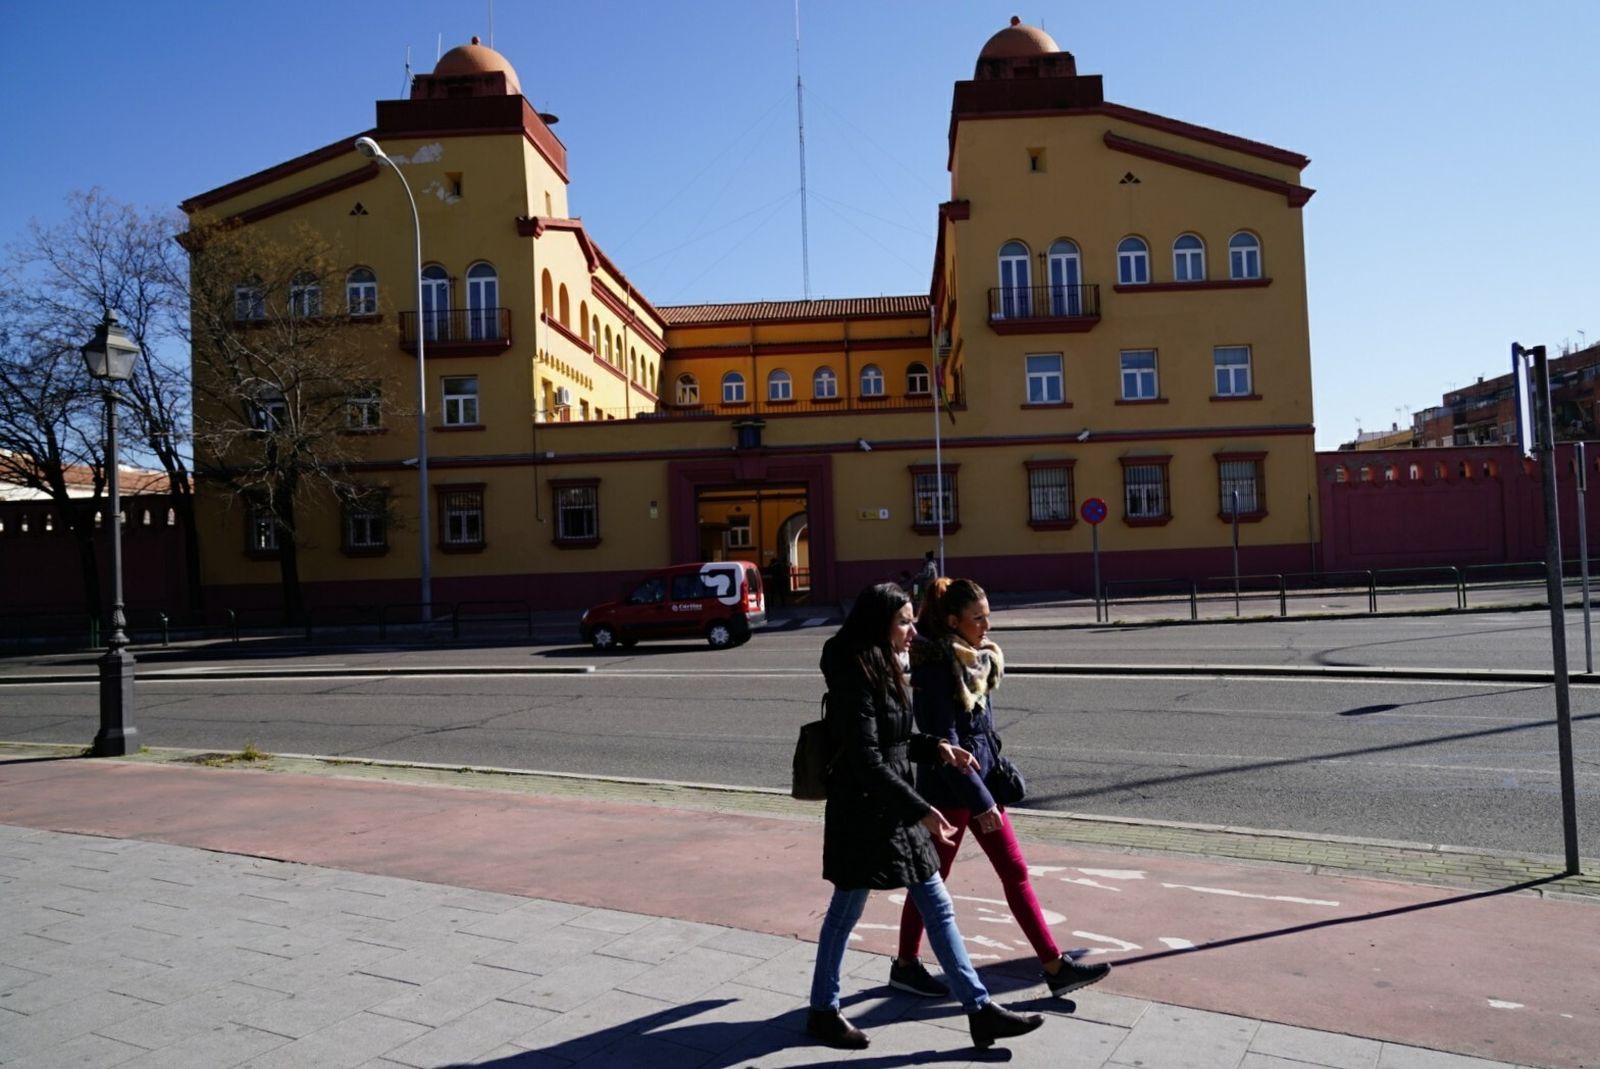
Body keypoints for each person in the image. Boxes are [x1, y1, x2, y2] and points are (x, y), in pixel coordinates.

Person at [807, 583, 1045, 1051]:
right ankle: (822, 1011)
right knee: (844, 913)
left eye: (913, 620)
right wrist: (924, 812)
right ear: (880, 625)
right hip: (864, 816)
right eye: (904, 622)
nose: (913, 630)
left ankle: (979, 1010)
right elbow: (867, 759)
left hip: (893, 808)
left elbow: (896, 741)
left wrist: (937, 749)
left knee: (937, 905)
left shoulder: (889, 666)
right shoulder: (855, 674)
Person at [891, 577, 1111, 999]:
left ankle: (1054, 966)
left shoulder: (975, 659)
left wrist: (996, 771)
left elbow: (980, 732)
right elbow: (947, 741)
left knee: (1012, 872)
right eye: (978, 618)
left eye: (988, 616)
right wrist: (982, 800)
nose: (987, 626)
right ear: (954, 620)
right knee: (931, 880)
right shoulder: (936, 668)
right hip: (951, 793)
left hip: (980, 785)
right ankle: (905, 965)